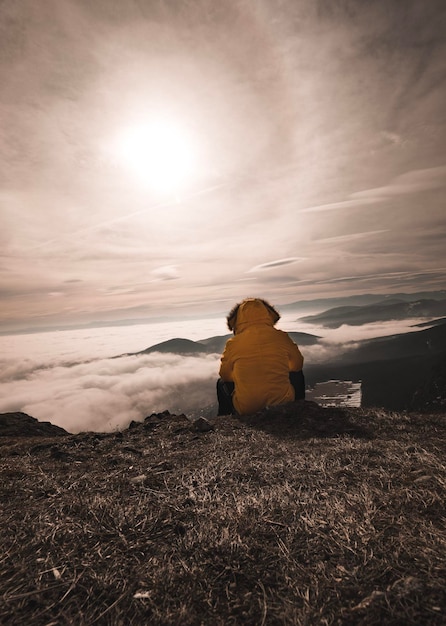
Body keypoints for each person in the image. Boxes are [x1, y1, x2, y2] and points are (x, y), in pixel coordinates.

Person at [217, 298, 305, 416]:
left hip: (247, 408)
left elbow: (225, 375)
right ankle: (300, 408)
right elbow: (298, 364)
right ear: (267, 315)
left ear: (238, 320)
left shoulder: (233, 343)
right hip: (282, 402)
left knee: (221, 383)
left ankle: (224, 419)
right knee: (297, 373)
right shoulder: (281, 337)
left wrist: (243, 377)